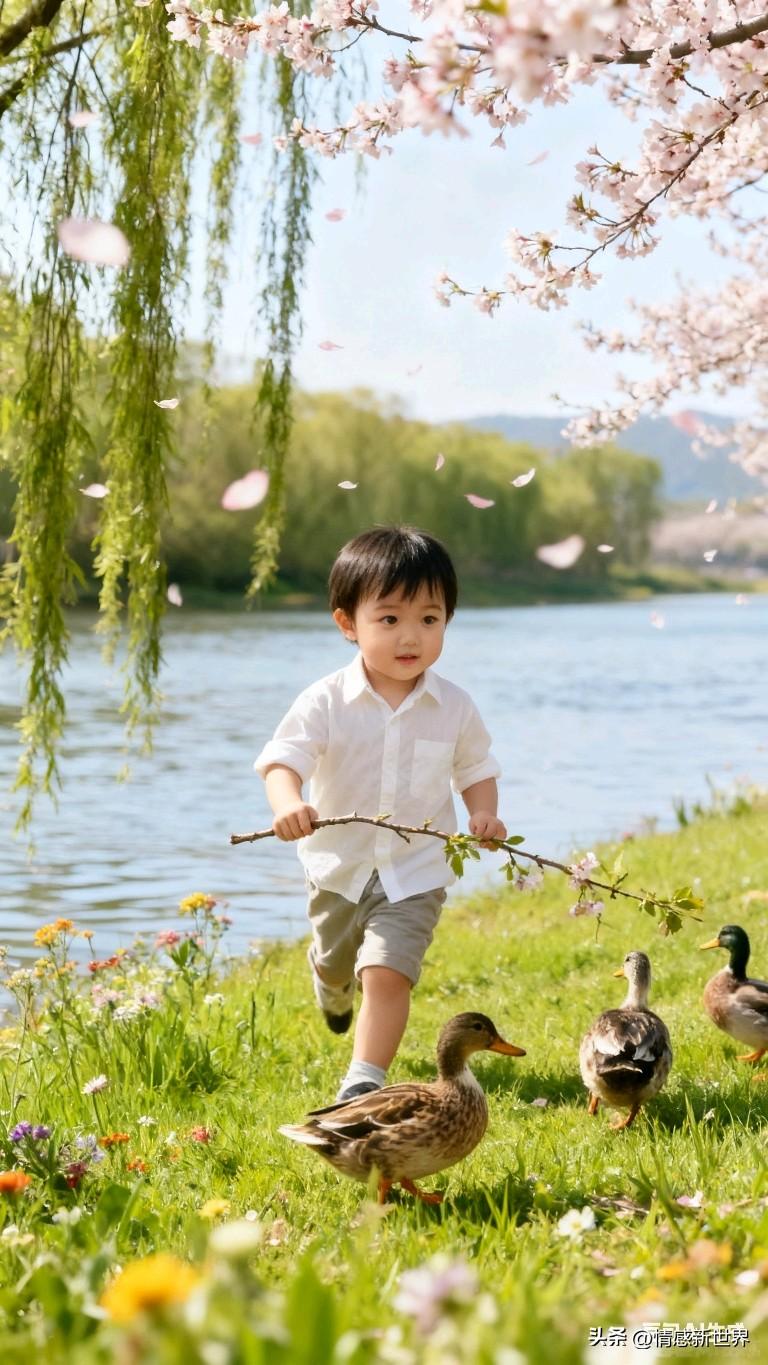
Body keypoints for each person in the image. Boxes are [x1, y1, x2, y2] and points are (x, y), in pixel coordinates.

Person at [254, 525, 506, 1101]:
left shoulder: (455, 706)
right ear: (349, 624)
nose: (410, 636)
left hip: (414, 872)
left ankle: (362, 1082)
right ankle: (328, 981)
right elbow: (281, 761)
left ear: (446, 621)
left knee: (387, 972)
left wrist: (485, 815)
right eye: (389, 619)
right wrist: (289, 803)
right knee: (341, 964)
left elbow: (476, 770)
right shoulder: (324, 700)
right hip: (337, 868)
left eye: (429, 618)